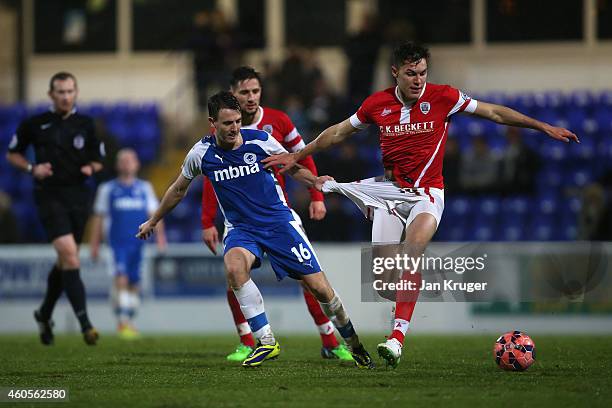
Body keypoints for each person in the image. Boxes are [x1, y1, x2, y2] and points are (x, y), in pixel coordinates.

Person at [263, 42, 579, 368]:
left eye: (423, 73)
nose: (418, 80)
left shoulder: (443, 97)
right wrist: (297, 154)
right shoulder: (377, 104)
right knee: (385, 283)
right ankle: (403, 304)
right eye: (411, 73)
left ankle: (396, 339)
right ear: (395, 72)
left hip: (427, 194)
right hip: (388, 194)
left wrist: (543, 127)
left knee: (412, 252)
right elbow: (338, 133)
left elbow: (495, 112)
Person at [137, 91, 373, 368]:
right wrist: (154, 220)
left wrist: (315, 182)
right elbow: (178, 190)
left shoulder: (260, 140)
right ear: (212, 122)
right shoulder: (201, 154)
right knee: (234, 268)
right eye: (227, 123)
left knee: (320, 290)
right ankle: (266, 341)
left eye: (237, 121)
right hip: (241, 228)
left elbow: (290, 166)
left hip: (279, 224)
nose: (234, 127)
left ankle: (353, 342)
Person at [200, 67, 352, 362]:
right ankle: (248, 340)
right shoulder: (223, 130)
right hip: (242, 221)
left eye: (256, 91)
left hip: (277, 214)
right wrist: (208, 222)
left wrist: (316, 196)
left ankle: (330, 341)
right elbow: (210, 179)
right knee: (235, 275)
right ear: (233, 95)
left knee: (308, 279)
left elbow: (301, 156)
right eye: (245, 92)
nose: (251, 97)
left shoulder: (278, 120)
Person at [6, 71, 105, 345]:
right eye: (60, 92)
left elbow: (99, 160)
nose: (65, 96)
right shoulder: (35, 123)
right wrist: (31, 168)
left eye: (70, 91)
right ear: (51, 94)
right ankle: (86, 325)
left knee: (65, 260)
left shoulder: (86, 124)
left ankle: (44, 313)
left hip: (78, 198)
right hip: (49, 196)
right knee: (71, 256)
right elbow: (12, 153)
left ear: (76, 93)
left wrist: (90, 167)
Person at [89, 148, 166, 339]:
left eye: (130, 160)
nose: (126, 164)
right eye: (123, 160)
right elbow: (98, 218)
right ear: (117, 165)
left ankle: (128, 318)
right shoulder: (107, 189)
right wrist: (94, 244)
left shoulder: (144, 188)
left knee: (134, 284)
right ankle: (123, 322)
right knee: (121, 279)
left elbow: (155, 215)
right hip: (117, 245)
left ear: (137, 164)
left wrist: (161, 239)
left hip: (139, 245)